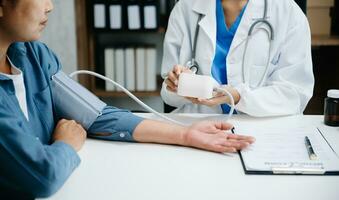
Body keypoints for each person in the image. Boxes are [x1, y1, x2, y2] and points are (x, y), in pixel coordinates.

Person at [0, 0, 255, 198]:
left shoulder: (33, 55)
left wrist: (185, 135)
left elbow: (96, 115)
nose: (50, 6)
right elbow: (43, 176)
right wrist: (65, 144)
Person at [161, 0, 314, 116]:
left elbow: (295, 95)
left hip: (263, 129)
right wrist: (178, 84)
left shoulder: (288, 12)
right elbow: (168, 95)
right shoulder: (185, 7)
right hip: (198, 125)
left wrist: (239, 97)